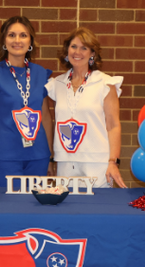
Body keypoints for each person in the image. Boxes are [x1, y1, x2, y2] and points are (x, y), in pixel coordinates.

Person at [0, 16, 53, 190]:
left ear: (30, 41)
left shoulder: (41, 74)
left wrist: (49, 157)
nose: (17, 40)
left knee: (36, 211)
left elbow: (46, 118)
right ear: (4, 41)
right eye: (12, 35)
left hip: (38, 156)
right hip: (4, 157)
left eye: (23, 35)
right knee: (5, 212)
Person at [43, 28, 126, 188]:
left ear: (92, 54)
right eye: (73, 46)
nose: (77, 52)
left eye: (84, 48)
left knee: (97, 210)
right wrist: (51, 159)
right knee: (66, 210)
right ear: (67, 51)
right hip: (65, 162)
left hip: (97, 163)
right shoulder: (56, 84)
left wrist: (113, 162)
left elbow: (113, 125)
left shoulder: (105, 84)